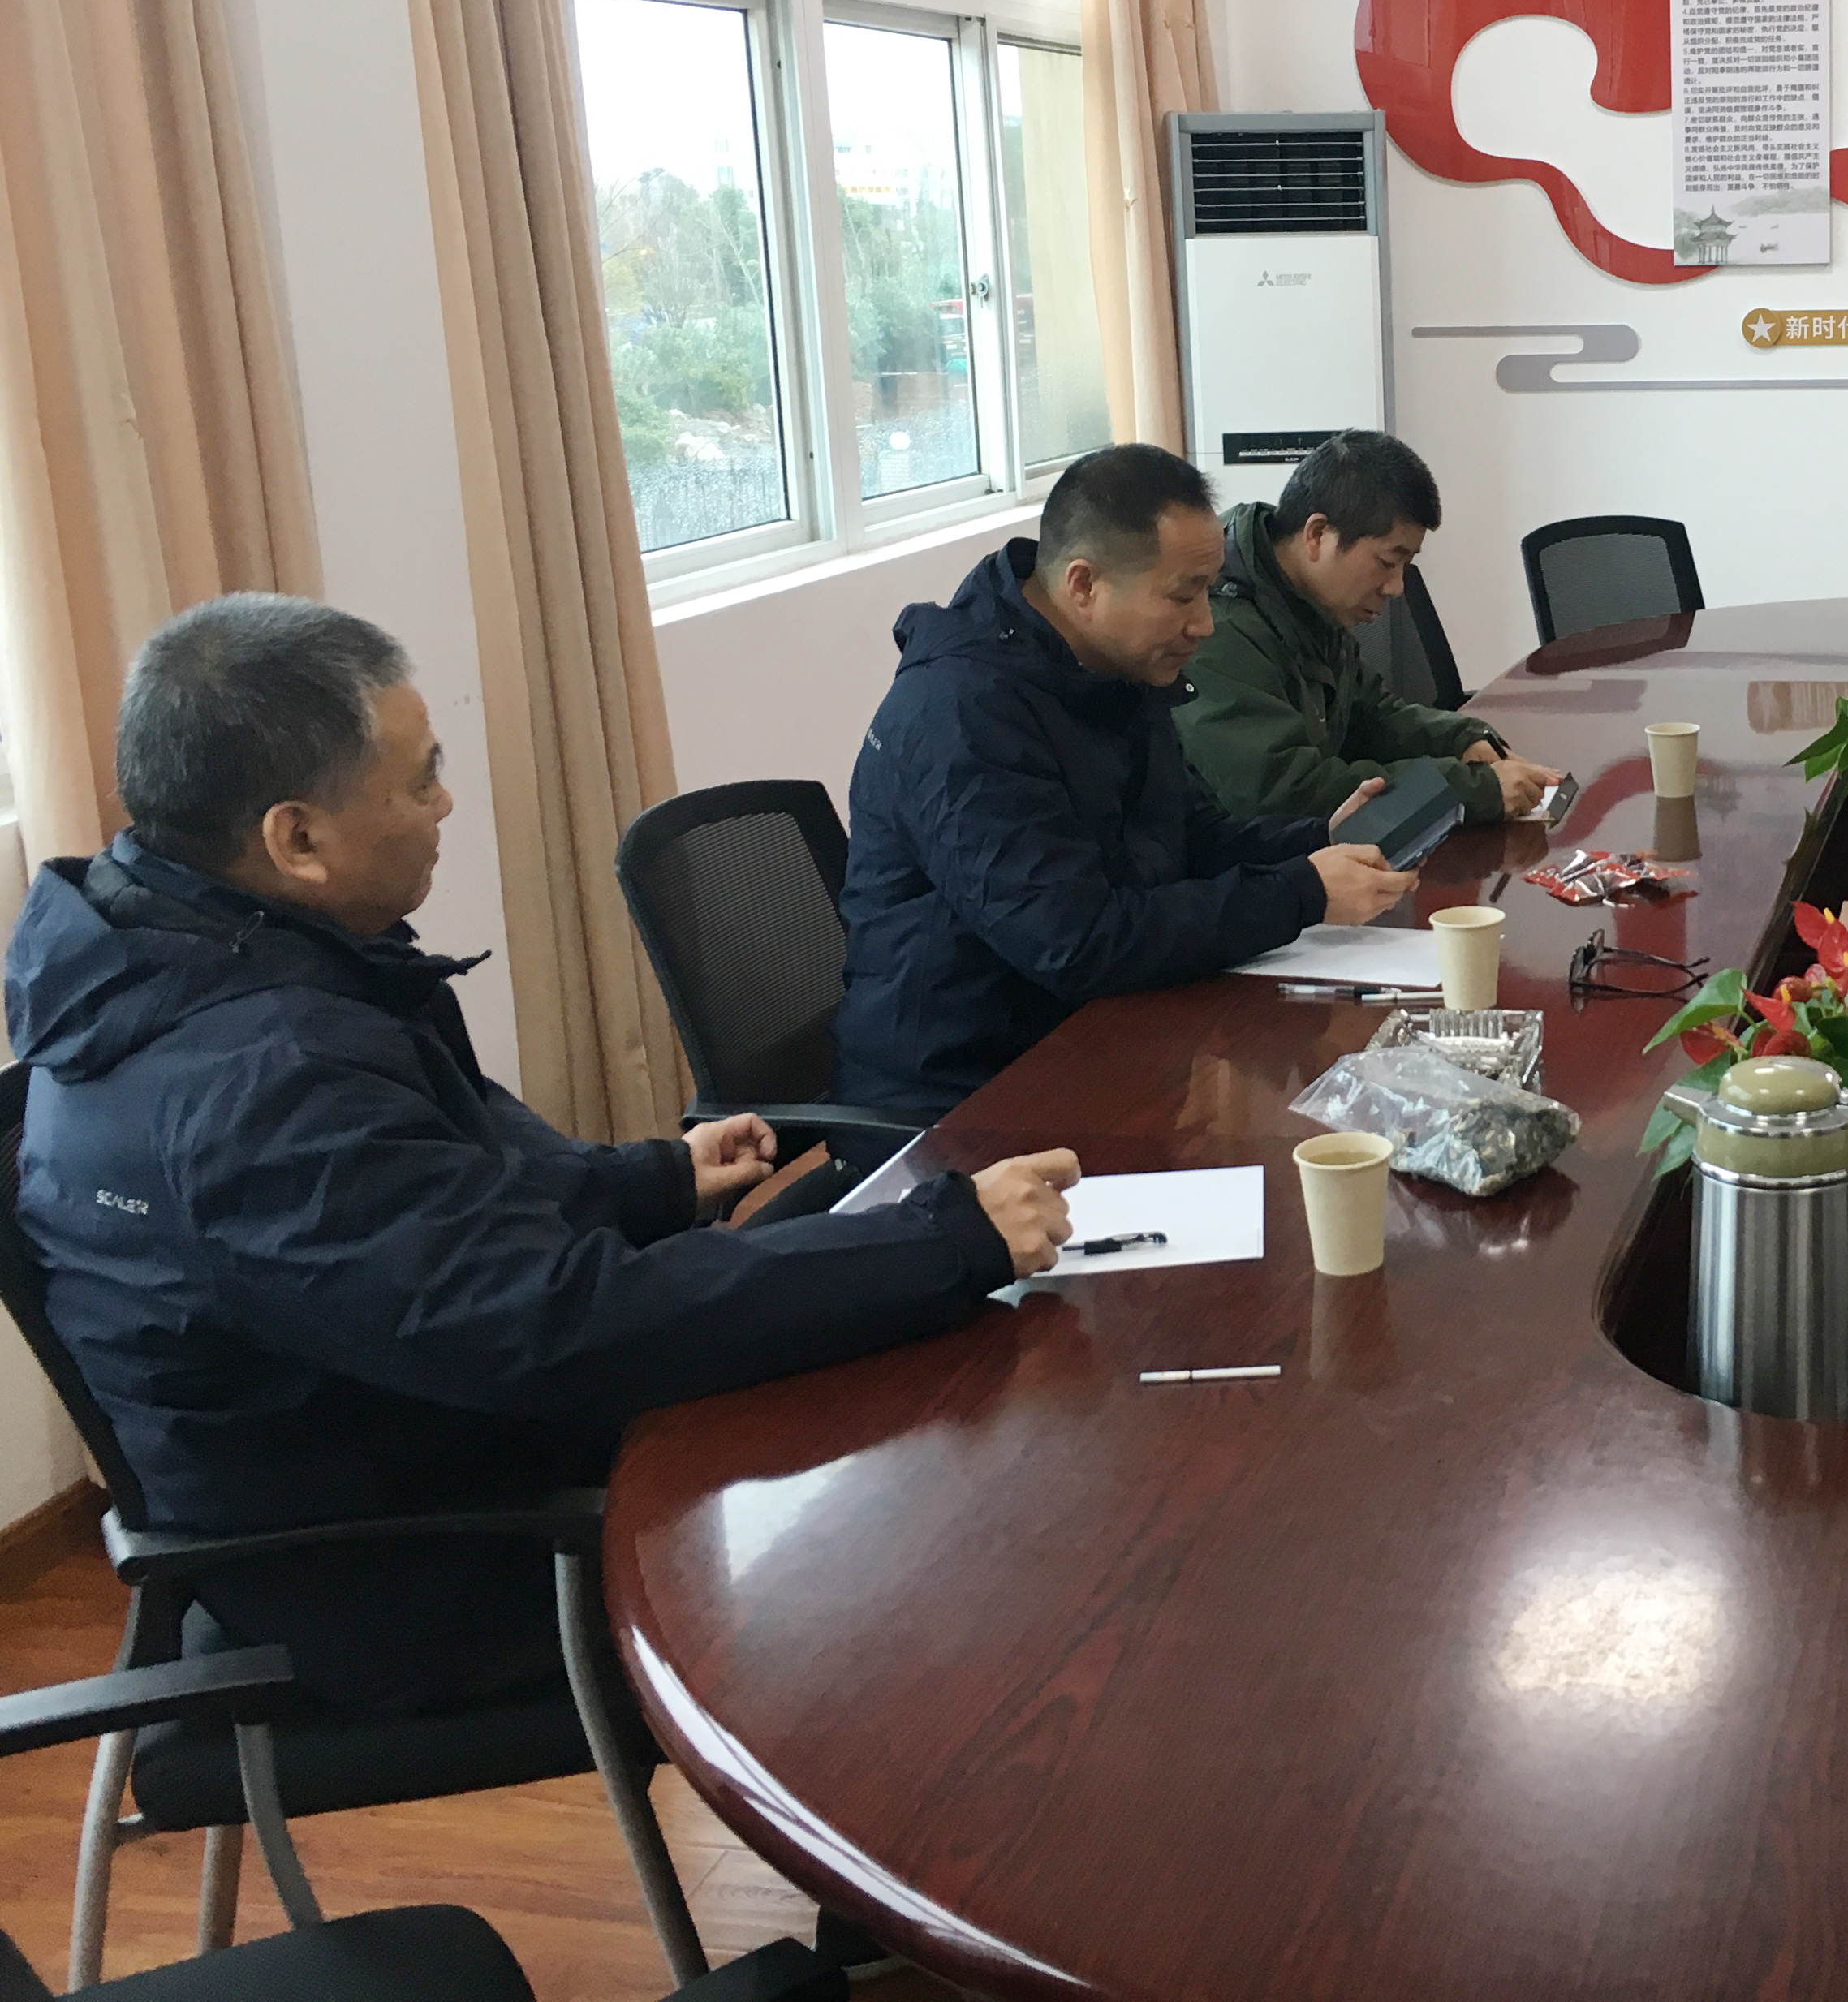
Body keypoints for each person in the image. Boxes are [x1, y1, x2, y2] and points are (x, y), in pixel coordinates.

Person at [6, 595, 1079, 1716]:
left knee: (906, 1375)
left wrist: (651, 1180)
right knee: (938, 1520)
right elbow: (561, 1326)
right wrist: (944, 1240)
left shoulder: (180, 962)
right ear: (297, 839)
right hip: (427, 1571)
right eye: (420, 778)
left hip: (435, 1438)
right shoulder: (261, 1083)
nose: (445, 804)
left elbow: (434, 1217)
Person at [835, 442, 1415, 1117]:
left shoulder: (1108, 669)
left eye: (1208, 591)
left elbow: (1188, 837)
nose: (1204, 624)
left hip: (1096, 1046)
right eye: (1183, 595)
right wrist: (1301, 893)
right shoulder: (961, 716)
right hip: (961, 1101)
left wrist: (1317, 841)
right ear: (1084, 585)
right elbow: (1077, 942)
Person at [1178, 429, 1566, 824]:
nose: (1396, 588)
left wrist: (1460, 738)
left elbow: (1371, 714)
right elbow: (1287, 793)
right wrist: (1469, 790)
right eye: (1387, 562)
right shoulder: (1217, 628)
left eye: (1405, 565)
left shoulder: (1303, 598)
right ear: (1317, 535)